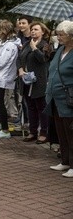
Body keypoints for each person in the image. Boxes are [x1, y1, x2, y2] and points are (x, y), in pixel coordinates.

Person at [45, 20, 73, 178]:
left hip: (69, 98)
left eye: (61, 35)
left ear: (71, 36)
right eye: (57, 34)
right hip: (55, 99)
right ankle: (65, 161)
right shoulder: (60, 50)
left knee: (71, 132)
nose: (58, 37)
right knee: (61, 131)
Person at [17, 21, 50, 144]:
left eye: (36, 29)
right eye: (32, 29)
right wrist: (20, 69)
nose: (33, 31)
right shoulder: (26, 44)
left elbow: (43, 59)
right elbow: (19, 58)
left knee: (41, 107)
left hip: (39, 82)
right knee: (30, 107)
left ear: (43, 32)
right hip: (26, 81)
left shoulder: (45, 45)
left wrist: (35, 48)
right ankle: (32, 131)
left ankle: (44, 133)